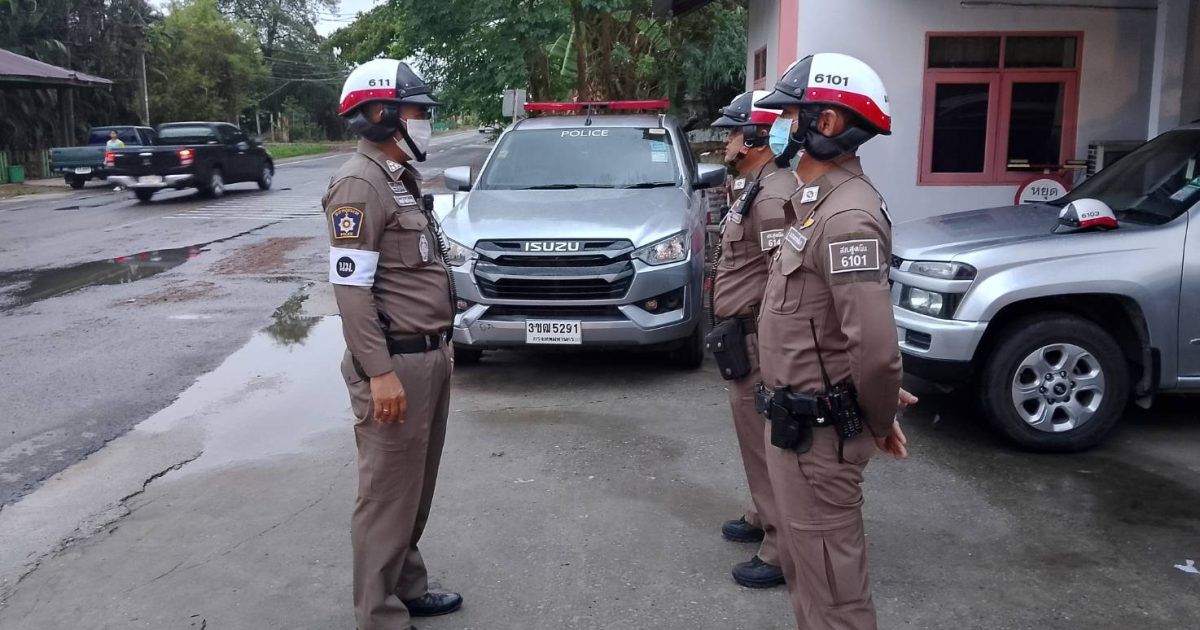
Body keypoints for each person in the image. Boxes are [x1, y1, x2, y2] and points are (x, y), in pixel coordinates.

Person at [753, 53, 909, 630]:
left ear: (826, 124)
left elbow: (876, 352)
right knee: (810, 581)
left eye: (790, 116)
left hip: (818, 439)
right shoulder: (814, 206)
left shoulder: (847, 217)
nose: (779, 128)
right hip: (794, 429)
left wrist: (877, 415)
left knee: (835, 599)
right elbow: (829, 330)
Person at [325, 58, 462, 630]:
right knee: (386, 493)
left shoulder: (397, 180)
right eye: (417, 111)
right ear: (381, 115)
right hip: (395, 363)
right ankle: (378, 615)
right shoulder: (359, 185)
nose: (425, 120)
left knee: (415, 487)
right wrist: (379, 372)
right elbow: (351, 291)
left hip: (427, 356)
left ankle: (407, 586)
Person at [706, 90, 796, 589]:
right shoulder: (757, 186)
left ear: (757, 138)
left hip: (759, 340)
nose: (727, 142)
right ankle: (763, 513)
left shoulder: (775, 196)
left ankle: (782, 546)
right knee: (752, 437)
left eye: (733, 133)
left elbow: (782, 280)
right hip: (742, 339)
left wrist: (767, 341)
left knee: (767, 445)